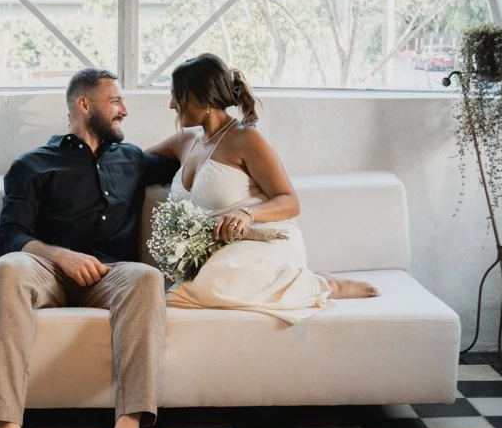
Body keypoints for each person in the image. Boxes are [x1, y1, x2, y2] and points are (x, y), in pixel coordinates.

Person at [0, 68, 179, 428]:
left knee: (146, 277)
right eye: (115, 101)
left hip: (111, 274)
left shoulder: (133, 159)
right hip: (47, 271)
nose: (124, 109)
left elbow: (192, 151)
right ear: (84, 105)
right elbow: (10, 237)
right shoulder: (31, 165)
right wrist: (61, 256)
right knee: (7, 269)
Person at [147, 53, 379, 322]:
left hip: (263, 239)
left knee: (206, 285)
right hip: (218, 250)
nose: (171, 104)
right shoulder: (185, 141)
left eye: (177, 95)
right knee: (187, 288)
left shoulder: (246, 138)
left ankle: (323, 284)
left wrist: (247, 214)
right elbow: (131, 160)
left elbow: (290, 201)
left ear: (203, 97)